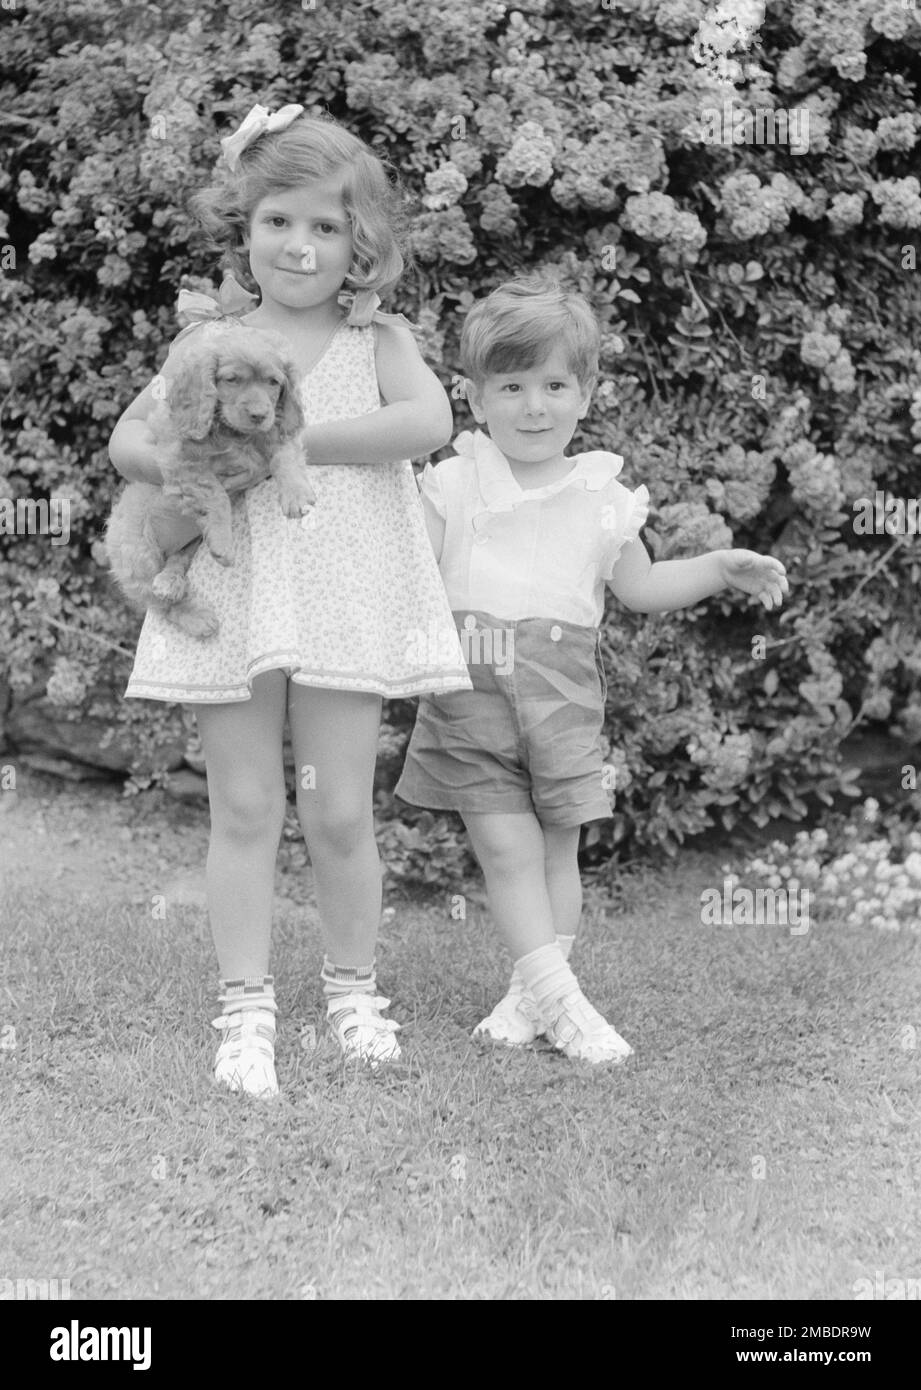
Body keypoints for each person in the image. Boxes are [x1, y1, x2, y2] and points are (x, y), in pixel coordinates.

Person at [108, 104, 471, 1095]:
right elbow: (129, 443)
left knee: (341, 810)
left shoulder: (377, 338)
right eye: (278, 221)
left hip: (344, 595)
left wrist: (292, 445)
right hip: (236, 594)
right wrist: (195, 463)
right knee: (247, 803)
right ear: (247, 228)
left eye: (323, 226)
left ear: (360, 241)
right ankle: (245, 1009)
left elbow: (426, 422)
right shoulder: (218, 340)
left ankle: (353, 992)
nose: (298, 245)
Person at [396, 277, 788, 1063]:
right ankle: (569, 1009)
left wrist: (714, 566)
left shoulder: (599, 496)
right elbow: (409, 577)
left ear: (585, 395)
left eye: (552, 385)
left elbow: (640, 589)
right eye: (509, 386)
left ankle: (529, 992)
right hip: (471, 688)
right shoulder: (453, 482)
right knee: (505, 850)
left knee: (554, 851)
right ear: (473, 398)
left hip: (563, 696)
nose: (532, 406)